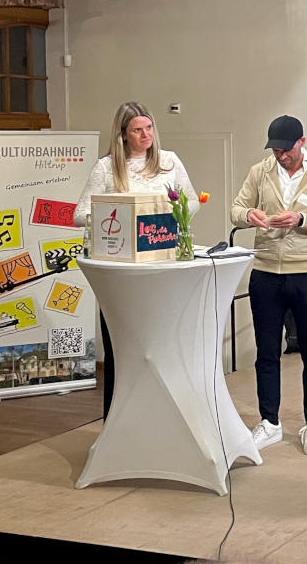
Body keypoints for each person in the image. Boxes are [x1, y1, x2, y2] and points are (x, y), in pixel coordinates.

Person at [74, 102, 198, 420]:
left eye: (149, 128)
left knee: (161, 347)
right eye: (137, 130)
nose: (146, 135)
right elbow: (79, 214)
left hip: (161, 265)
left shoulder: (170, 161)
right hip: (121, 273)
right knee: (122, 349)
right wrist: (119, 215)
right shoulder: (106, 167)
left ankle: (163, 418)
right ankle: (118, 421)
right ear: (123, 134)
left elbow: (192, 201)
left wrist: (170, 216)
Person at [230, 115, 307, 456]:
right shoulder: (259, 172)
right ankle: (270, 422)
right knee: (266, 352)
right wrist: (249, 215)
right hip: (265, 272)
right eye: (276, 150)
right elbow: (236, 209)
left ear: (302, 142)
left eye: (286, 150)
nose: (281, 156)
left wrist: (301, 219)